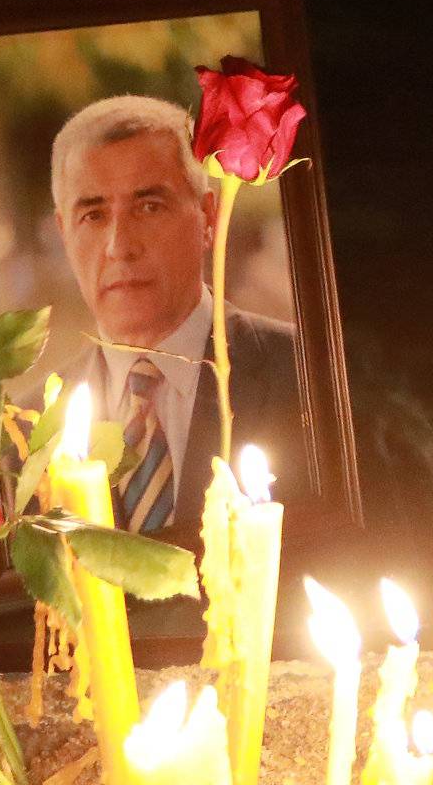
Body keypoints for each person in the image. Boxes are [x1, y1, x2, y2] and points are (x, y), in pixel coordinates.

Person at [51, 94, 307, 535]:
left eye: (149, 207)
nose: (120, 246)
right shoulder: (25, 429)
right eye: (93, 215)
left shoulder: (308, 373)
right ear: (63, 232)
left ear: (208, 217)